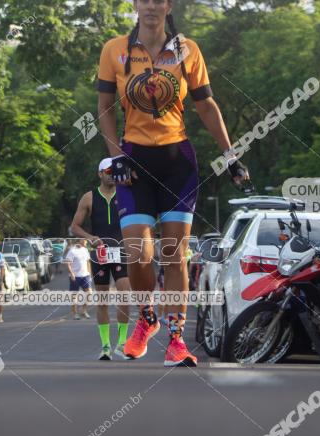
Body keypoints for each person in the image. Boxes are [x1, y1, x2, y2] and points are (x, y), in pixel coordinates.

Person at [97, 0, 248, 366]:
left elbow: (207, 105)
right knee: (138, 251)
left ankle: (176, 339)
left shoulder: (187, 50)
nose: (151, 6)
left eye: (158, 0)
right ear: (136, 4)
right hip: (133, 164)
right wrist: (115, 157)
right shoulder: (115, 50)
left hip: (178, 162)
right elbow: (104, 106)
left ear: (168, 5)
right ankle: (147, 316)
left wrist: (231, 155)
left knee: (175, 254)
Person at [69, 158, 133, 360]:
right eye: (107, 170)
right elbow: (75, 226)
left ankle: (122, 343)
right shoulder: (88, 198)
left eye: (114, 170)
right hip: (100, 254)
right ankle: (105, 345)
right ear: (99, 173)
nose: (111, 174)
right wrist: (91, 238)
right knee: (103, 301)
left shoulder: (126, 195)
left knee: (124, 296)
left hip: (121, 251)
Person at [64, 239, 92, 320]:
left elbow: (88, 262)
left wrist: (89, 273)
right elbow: (68, 263)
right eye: (85, 240)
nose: (86, 242)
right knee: (74, 296)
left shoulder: (85, 250)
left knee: (89, 293)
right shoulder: (72, 251)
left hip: (85, 275)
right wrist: (72, 273)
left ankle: (84, 311)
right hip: (75, 276)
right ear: (79, 240)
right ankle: (75, 313)